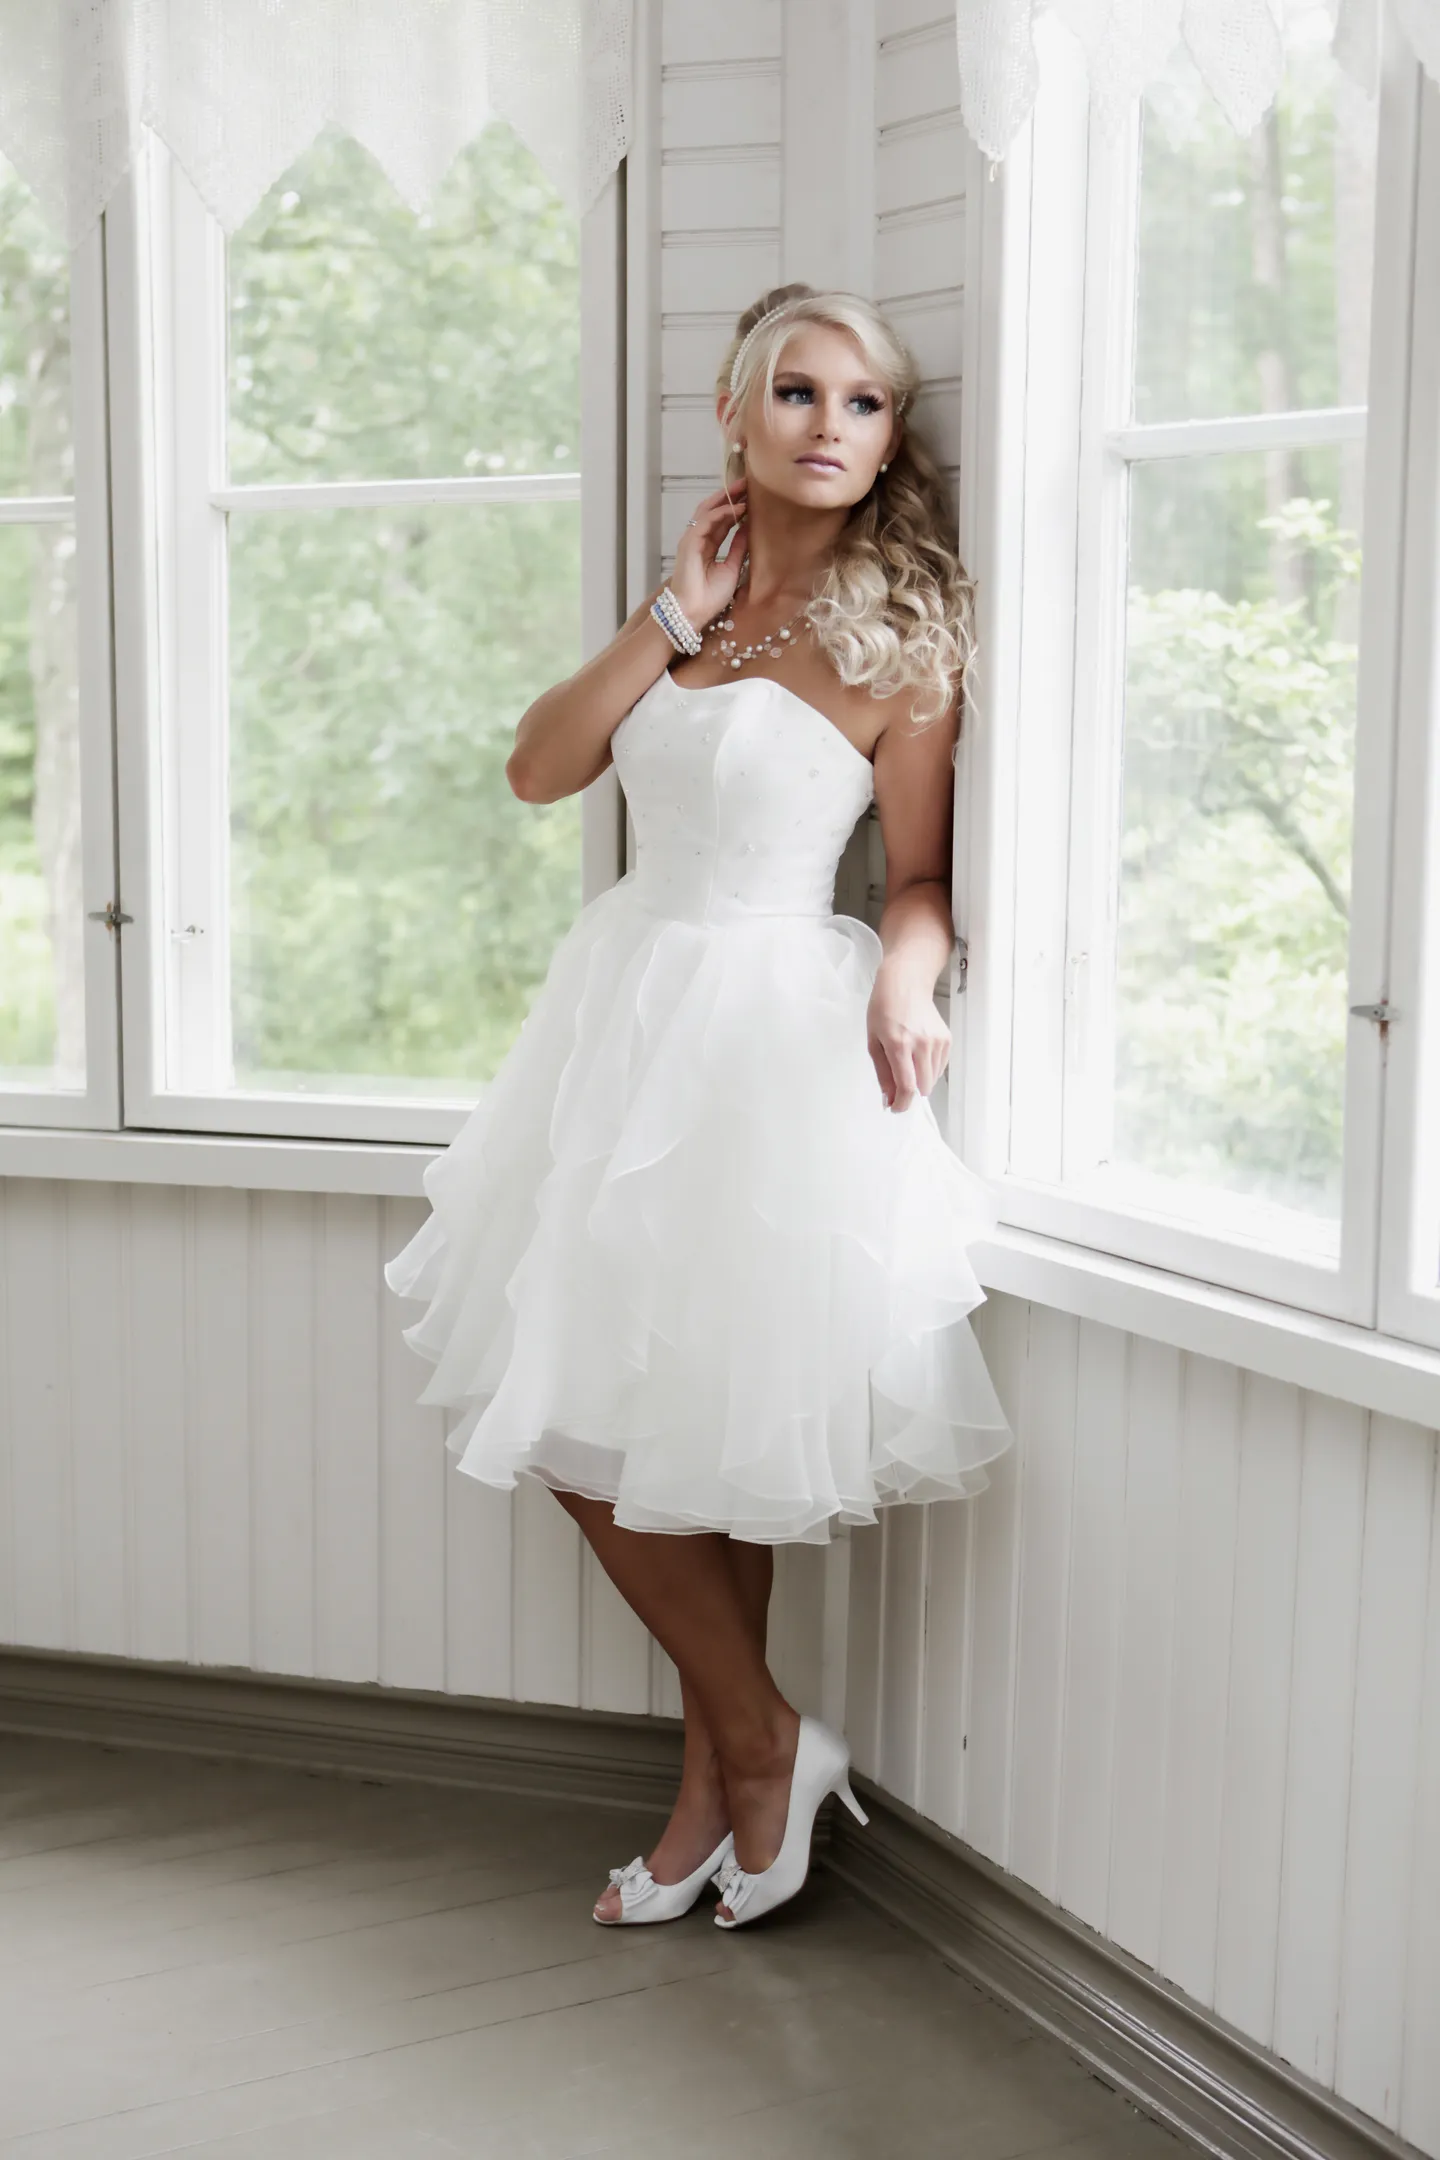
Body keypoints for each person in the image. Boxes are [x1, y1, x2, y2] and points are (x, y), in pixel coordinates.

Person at [384, 282, 1015, 1932]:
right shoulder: (693, 612)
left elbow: (924, 874)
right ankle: (746, 1760)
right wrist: (671, 610)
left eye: (863, 403)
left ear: (890, 440)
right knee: (605, 1410)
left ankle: (738, 1769)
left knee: (702, 1427)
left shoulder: (904, 642)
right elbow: (538, 770)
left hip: (770, 1040)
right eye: (796, 394)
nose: (829, 427)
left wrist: (908, 971)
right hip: (620, 1017)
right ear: (734, 415)